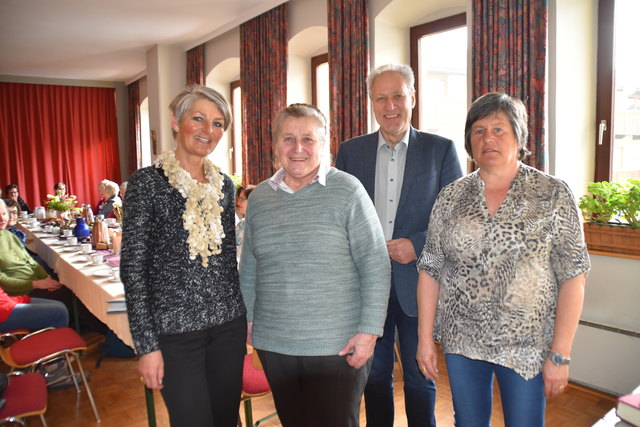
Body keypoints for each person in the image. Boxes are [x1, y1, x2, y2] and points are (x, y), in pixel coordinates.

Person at [415, 92, 590, 426]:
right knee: (468, 421)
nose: (487, 138)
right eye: (478, 131)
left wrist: (560, 354)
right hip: (462, 339)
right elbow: (431, 268)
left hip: (527, 344)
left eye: (498, 129)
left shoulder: (552, 193)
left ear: (519, 136)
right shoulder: (451, 196)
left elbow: (574, 276)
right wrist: (425, 340)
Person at [239, 103, 391, 427]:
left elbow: (375, 263)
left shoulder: (348, 191)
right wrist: (249, 319)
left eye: (308, 139)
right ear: (275, 144)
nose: (298, 149)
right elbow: (250, 265)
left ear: (324, 143)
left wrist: (368, 332)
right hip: (275, 344)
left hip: (337, 346)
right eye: (288, 139)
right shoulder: (261, 199)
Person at [335, 63, 463, 427]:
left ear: (413, 98)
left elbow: (454, 218)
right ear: (371, 103)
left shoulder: (441, 151)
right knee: (373, 377)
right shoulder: (350, 153)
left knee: (420, 375)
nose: (390, 106)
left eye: (398, 96)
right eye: (381, 98)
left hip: (417, 283)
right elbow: (340, 215)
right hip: (365, 285)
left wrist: (418, 244)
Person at [121, 84, 246, 427]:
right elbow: (133, 270)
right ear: (176, 122)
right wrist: (146, 346)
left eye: (219, 123)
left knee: (225, 420)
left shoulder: (224, 186)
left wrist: (244, 319)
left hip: (227, 327)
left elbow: (225, 263)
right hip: (175, 334)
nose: (208, 131)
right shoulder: (147, 184)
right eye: (199, 119)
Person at [0, 198, 62, 296]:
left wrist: (46, 278)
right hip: (20, 291)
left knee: (66, 286)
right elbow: (3, 281)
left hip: (35, 282)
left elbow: (30, 261)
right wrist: (37, 284)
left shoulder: (8, 235)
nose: (2, 219)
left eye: (4, 214)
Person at [234, 184, 254, 258]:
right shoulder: (240, 224)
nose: (238, 203)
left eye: (242, 199)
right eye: (238, 199)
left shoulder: (259, 225)